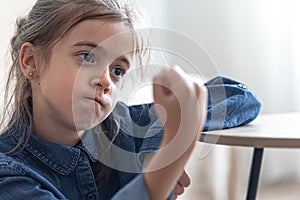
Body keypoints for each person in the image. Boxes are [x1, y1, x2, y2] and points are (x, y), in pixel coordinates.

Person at [0, 0, 208, 199]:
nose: (105, 80)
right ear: (31, 61)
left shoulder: (123, 125)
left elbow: (237, 95)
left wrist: (150, 149)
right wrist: (166, 166)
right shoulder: (8, 174)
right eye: (86, 57)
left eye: (117, 70)